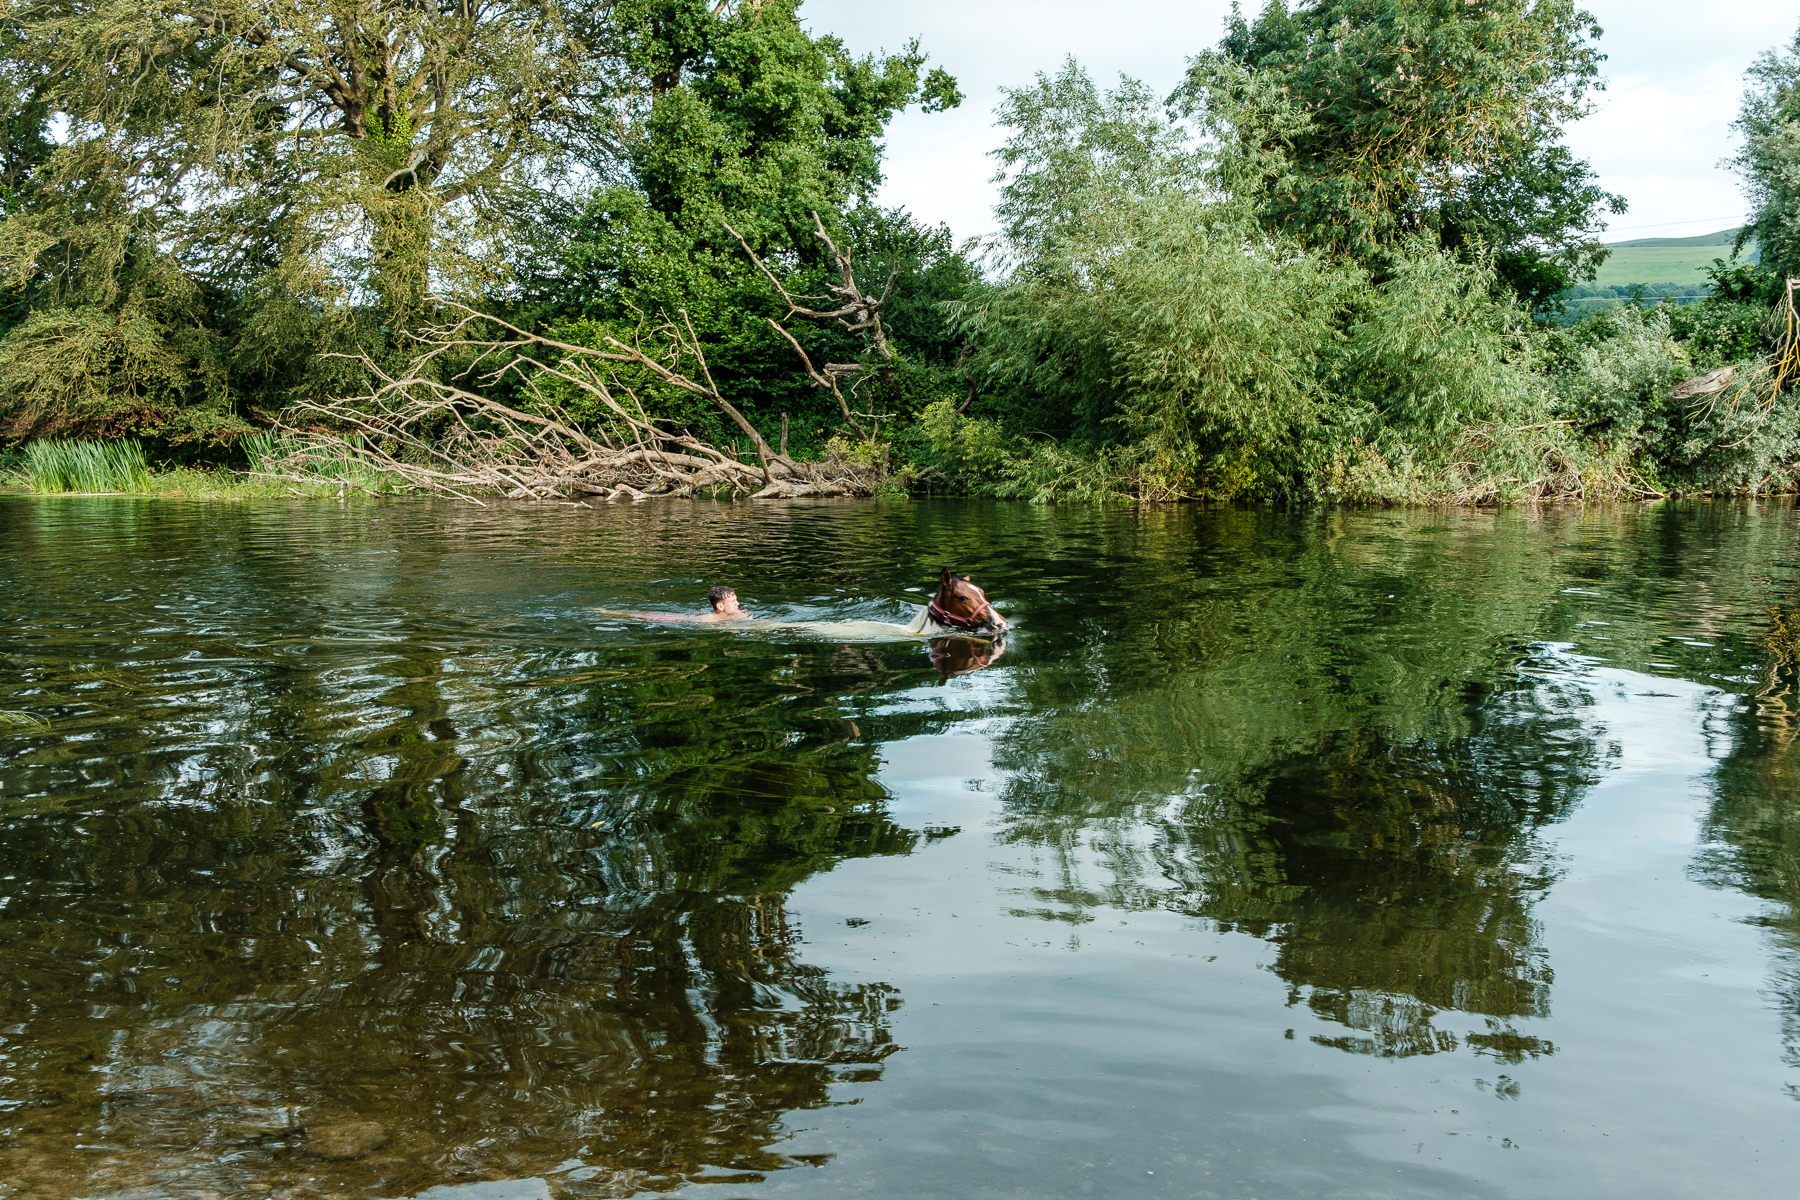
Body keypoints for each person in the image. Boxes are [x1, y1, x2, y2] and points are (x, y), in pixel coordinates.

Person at [625, 585, 750, 625]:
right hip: (682, 619)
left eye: (736, 600)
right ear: (720, 607)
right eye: (733, 601)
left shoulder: (734, 615)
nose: (737, 603)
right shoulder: (709, 619)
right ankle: (615, 614)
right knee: (644, 616)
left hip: (687, 617)